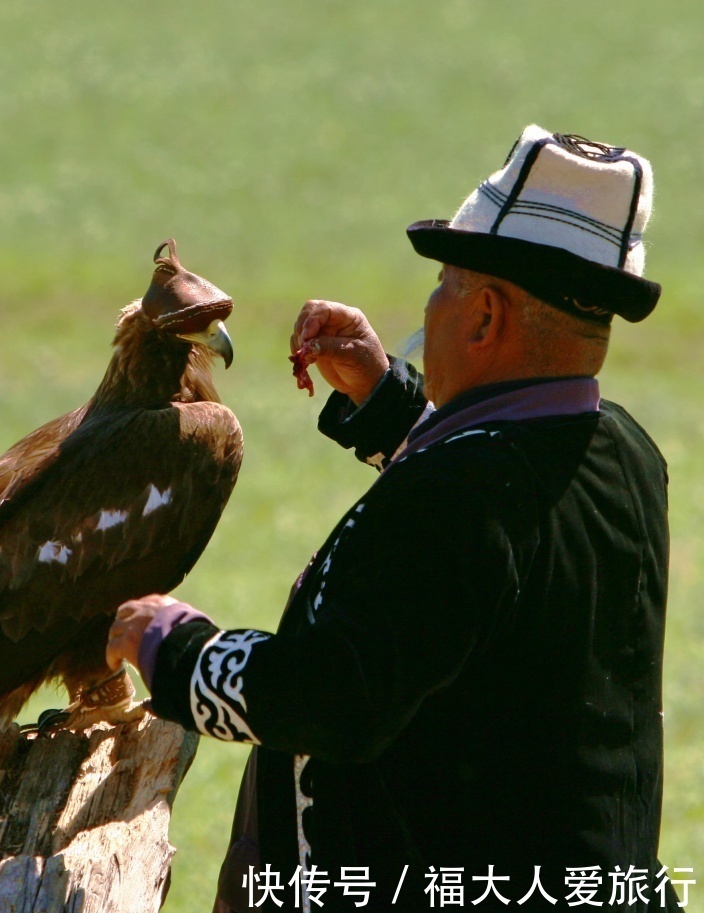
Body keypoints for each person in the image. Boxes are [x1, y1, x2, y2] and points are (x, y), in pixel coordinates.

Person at [106, 126, 681, 912]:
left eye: (444, 283)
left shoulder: (460, 496)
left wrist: (175, 647)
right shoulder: (625, 454)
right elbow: (492, 544)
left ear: (483, 318)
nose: (428, 303)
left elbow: (333, 699)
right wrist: (386, 402)